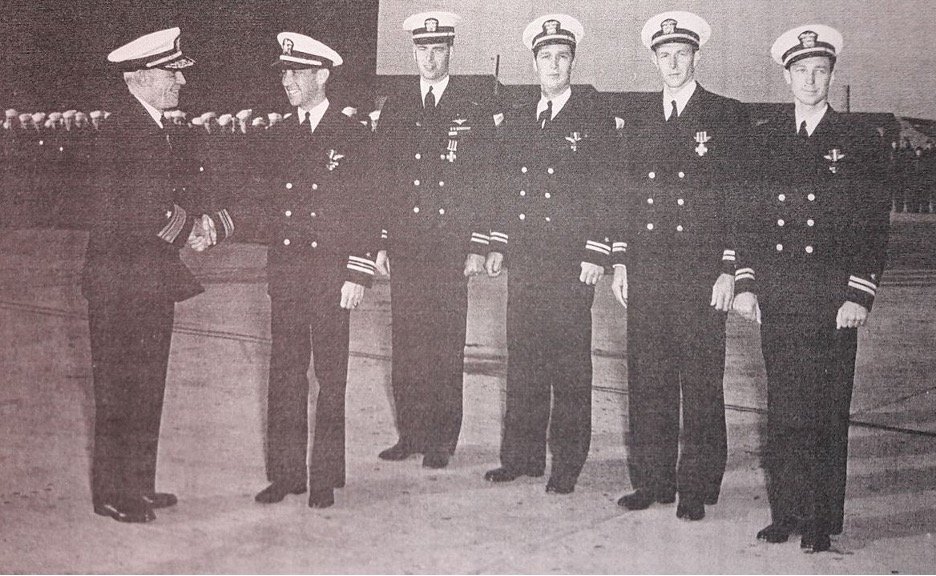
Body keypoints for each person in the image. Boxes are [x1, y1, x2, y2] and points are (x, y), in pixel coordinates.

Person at [732, 24, 890, 552]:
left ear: (831, 76)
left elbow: (872, 223)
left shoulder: (858, 142)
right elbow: (750, 219)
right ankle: (787, 512)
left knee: (825, 410)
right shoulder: (767, 139)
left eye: (820, 70)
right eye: (801, 71)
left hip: (831, 300)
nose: (810, 79)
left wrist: (859, 294)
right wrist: (747, 284)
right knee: (785, 408)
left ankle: (822, 519)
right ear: (787, 77)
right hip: (779, 296)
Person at [220, 32, 377, 509]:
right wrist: (219, 225)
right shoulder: (280, 133)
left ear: (322, 75)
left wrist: (358, 272)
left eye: (296, 72)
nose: (286, 80)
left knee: (330, 377)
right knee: (285, 373)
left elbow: (369, 205)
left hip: (332, 275)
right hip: (288, 274)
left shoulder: (352, 134)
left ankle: (326, 474)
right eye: (284, 73)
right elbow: (261, 203)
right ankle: (286, 474)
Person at [609, 11, 747, 521]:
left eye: (681, 54)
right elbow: (624, 195)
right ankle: (652, 481)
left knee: (702, 384)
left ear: (695, 56)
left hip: (701, 273)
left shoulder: (725, 115)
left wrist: (730, 268)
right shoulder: (640, 116)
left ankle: (698, 485)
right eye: (664, 55)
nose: (672, 63)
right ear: (653, 59)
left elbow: (738, 198)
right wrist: (621, 261)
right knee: (648, 381)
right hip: (647, 270)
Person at [82, 27, 221, 523]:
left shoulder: (155, 126)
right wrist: (191, 231)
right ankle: (113, 493)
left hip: (148, 281)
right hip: (121, 285)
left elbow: (179, 189)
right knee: (121, 390)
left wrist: (202, 220)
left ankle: (138, 484)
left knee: (146, 386)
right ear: (140, 77)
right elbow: (141, 208)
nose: (180, 82)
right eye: (171, 73)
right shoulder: (123, 130)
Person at [483, 14, 611, 495]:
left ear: (572, 62)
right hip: (528, 260)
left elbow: (607, 188)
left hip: (571, 262)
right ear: (534, 63)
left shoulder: (593, 118)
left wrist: (597, 250)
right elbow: (503, 186)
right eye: (545, 57)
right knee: (524, 360)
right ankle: (521, 457)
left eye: (562, 57)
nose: (554, 65)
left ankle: (568, 463)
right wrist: (498, 243)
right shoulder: (519, 116)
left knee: (569, 366)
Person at [374, 11, 494, 469]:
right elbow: (383, 179)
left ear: (449, 51)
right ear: (414, 53)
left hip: (449, 246)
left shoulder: (473, 106)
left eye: (438, 49)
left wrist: (478, 244)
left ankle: (442, 440)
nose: (429, 57)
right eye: (422, 49)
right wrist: (381, 242)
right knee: (406, 341)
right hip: (406, 243)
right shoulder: (399, 106)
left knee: (445, 343)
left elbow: (486, 180)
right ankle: (410, 434)